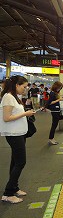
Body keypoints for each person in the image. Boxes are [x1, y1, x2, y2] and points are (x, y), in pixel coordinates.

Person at [0, 76, 35, 204]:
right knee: (20, 162)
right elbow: (7, 117)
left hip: (19, 133)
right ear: (16, 85)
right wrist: (25, 114)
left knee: (15, 161)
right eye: (23, 86)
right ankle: (8, 194)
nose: (25, 89)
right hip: (13, 134)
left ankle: (14, 187)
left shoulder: (14, 97)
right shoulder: (8, 97)